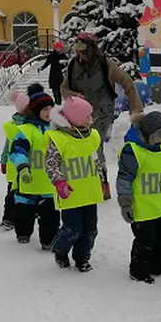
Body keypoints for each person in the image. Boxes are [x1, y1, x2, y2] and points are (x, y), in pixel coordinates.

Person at [117, 111, 161, 283]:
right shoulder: (133, 151)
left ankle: (158, 265)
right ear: (148, 135)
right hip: (140, 207)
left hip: (157, 205)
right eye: (160, 136)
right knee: (145, 239)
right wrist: (125, 203)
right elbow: (124, 179)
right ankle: (138, 271)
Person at [45, 96, 103, 272]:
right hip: (70, 193)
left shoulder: (92, 136)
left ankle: (82, 258)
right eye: (87, 116)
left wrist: (102, 177)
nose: (90, 119)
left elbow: (96, 159)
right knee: (73, 229)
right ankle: (60, 251)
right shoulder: (58, 138)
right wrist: (59, 182)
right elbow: (50, 163)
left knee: (90, 230)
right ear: (76, 119)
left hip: (90, 193)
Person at [61, 31, 143, 149]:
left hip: (102, 113)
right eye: (77, 48)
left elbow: (127, 82)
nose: (80, 53)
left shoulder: (106, 65)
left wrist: (136, 109)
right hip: (80, 114)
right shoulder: (73, 65)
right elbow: (64, 88)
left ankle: (100, 167)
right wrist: (74, 95)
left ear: (91, 49)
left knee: (95, 144)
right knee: (81, 144)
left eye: (83, 49)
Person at [8, 84, 60, 249]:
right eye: (44, 109)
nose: (48, 112)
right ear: (36, 111)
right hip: (29, 181)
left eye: (50, 109)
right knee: (24, 213)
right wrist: (22, 166)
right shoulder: (26, 130)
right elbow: (17, 150)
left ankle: (48, 240)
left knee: (51, 217)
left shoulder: (58, 130)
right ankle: (23, 233)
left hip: (50, 184)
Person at [0, 90, 29, 230]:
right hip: (15, 166)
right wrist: (4, 160)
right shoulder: (15, 126)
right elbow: (7, 145)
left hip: (27, 165)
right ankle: (9, 218)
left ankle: (25, 214)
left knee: (24, 192)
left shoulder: (35, 124)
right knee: (13, 193)